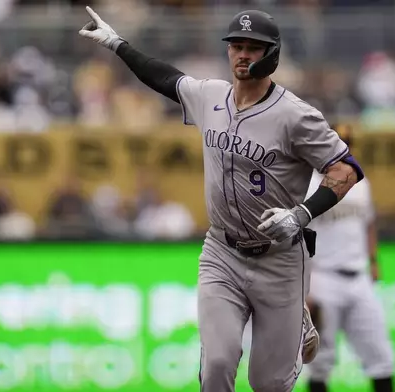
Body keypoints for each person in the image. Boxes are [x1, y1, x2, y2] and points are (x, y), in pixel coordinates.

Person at [79, 7, 364, 391]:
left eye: (254, 48)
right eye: (237, 46)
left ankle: (296, 316)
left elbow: (346, 169)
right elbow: (165, 78)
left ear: (272, 54)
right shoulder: (211, 96)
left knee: (268, 384)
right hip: (222, 252)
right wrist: (118, 44)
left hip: (279, 261)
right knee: (216, 365)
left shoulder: (296, 116)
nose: (243, 54)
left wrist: (301, 214)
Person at [304, 166, 395, 392]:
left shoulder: (360, 182)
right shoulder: (308, 185)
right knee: (320, 362)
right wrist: (305, 288)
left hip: (359, 277)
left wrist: (374, 260)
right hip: (322, 277)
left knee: (382, 358)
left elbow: (369, 223)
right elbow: (299, 239)